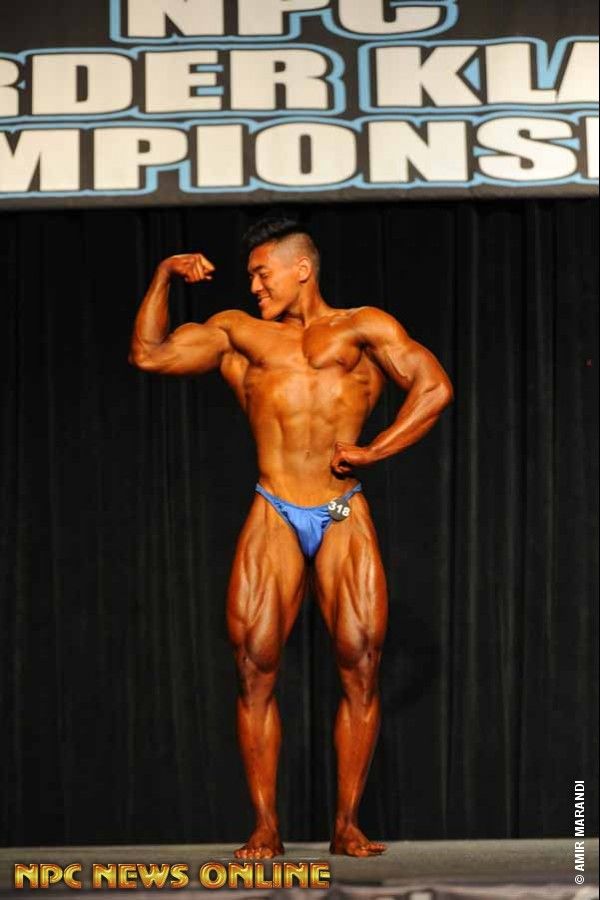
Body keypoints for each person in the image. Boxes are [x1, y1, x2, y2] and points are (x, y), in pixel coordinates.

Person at [129, 216, 453, 859]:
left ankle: (347, 823)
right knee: (254, 667)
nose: (253, 286)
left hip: (341, 508)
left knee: (361, 663)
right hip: (274, 505)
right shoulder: (238, 334)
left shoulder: (365, 328)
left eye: (261, 273)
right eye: (251, 276)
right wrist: (163, 275)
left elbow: (435, 387)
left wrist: (375, 450)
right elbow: (149, 353)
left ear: (301, 268)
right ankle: (265, 826)